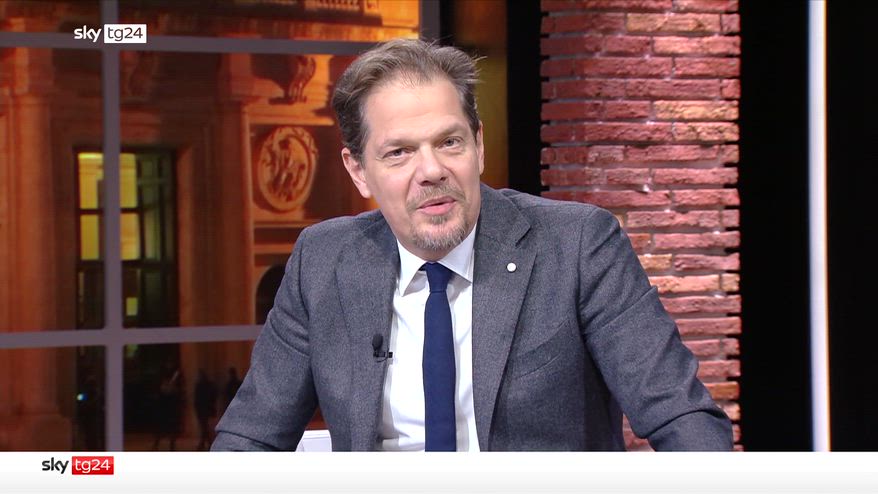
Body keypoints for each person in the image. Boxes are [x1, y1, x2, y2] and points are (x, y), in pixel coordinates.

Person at [212, 39, 732, 451]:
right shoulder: (324, 260)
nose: (431, 170)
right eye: (399, 153)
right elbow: (251, 439)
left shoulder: (576, 246)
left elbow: (682, 417)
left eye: (449, 142)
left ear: (478, 145)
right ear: (358, 170)